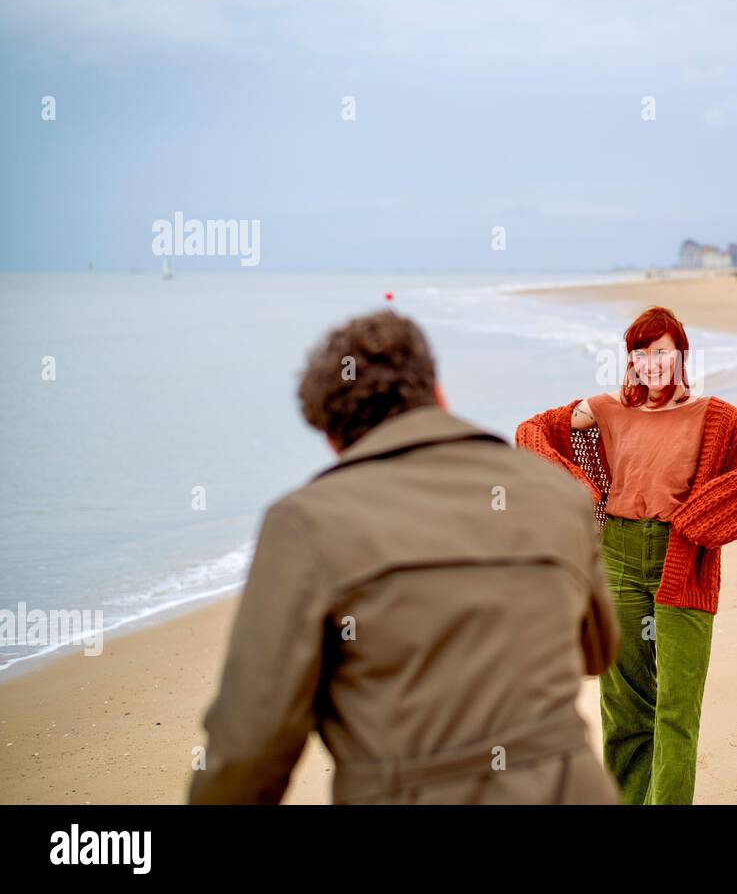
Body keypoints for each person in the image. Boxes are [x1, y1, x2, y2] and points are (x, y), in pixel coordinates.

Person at [190, 309, 620, 804]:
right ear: (437, 396)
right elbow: (596, 650)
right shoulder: (555, 493)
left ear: (333, 440)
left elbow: (249, 747)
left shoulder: (305, 524)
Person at [516, 305, 737, 804]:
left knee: (675, 710)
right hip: (618, 558)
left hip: (681, 562)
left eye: (661, 351)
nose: (651, 363)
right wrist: (580, 490)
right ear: (631, 361)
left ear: (681, 355)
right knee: (624, 710)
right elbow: (532, 433)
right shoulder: (605, 409)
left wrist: (702, 517)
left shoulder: (715, 415)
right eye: (641, 352)